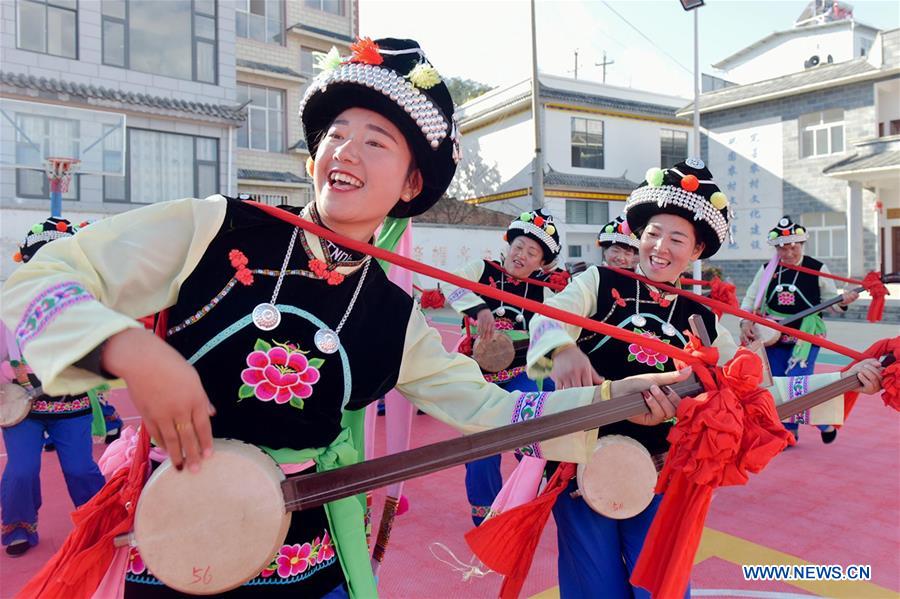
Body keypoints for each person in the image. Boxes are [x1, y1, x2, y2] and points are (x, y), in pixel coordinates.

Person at [2, 38, 686, 598]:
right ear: (312, 155)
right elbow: (39, 278)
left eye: (376, 141)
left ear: (411, 184)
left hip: (311, 557)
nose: (347, 151)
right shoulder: (215, 226)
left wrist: (606, 403)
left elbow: (486, 406)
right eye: (336, 133)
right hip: (183, 541)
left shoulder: (393, 312)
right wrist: (129, 348)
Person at [526, 160, 883, 599]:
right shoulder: (597, 282)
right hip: (582, 467)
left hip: (664, 474)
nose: (660, 246)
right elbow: (545, 319)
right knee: (591, 588)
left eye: (677, 239)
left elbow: (758, 395)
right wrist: (562, 349)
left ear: (696, 252)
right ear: (639, 234)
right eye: (653, 233)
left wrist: (845, 379)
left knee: (661, 587)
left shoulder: (706, 320)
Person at [444, 209, 560, 524]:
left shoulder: (545, 290)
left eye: (532, 252)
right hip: (478, 377)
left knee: (532, 438)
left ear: (541, 262)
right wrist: (480, 310)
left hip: (523, 375)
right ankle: (488, 518)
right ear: (508, 245)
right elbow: (450, 287)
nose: (522, 255)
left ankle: (528, 500)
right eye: (519, 247)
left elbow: (552, 334)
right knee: (481, 446)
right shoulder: (482, 269)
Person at [1, 218, 106, 557]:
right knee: (21, 470)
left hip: (71, 406)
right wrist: (12, 370)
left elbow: (102, 355)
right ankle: (18, 525)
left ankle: (99, 523)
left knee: (80, 468)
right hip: (23, 410)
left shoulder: (87, 305)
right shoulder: (9, 304)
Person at [739, 216, 860, 444]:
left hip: (806, 336)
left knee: (798, 383)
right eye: (783, 249)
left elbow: (832, 302)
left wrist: (844, 300)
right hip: (773, 336)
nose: (788, 253)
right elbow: (751, 297)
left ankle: (824, 423)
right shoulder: (768, 269)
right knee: (779, 384)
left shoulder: (816, 268)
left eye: (793, 247)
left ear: (801, 245)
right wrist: (746, 322)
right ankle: (788, 433)